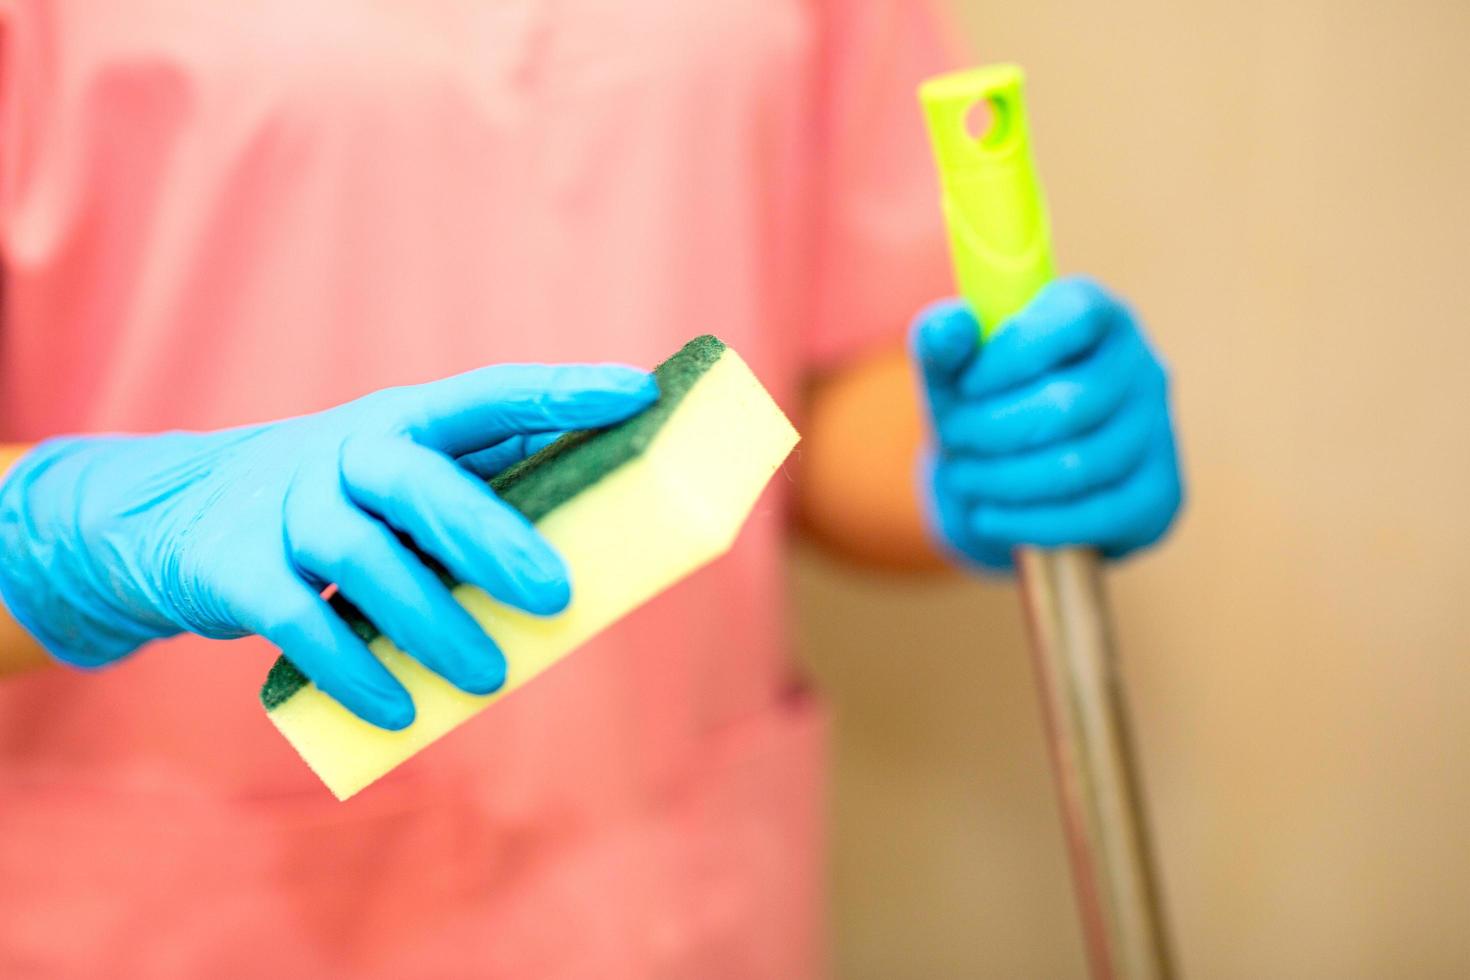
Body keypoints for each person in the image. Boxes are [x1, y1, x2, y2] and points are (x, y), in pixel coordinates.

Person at [0, 1, 1181, 976]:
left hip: (661, 898)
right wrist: (71, 541)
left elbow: (818, 379)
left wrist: (973, 455)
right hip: (168, 910)